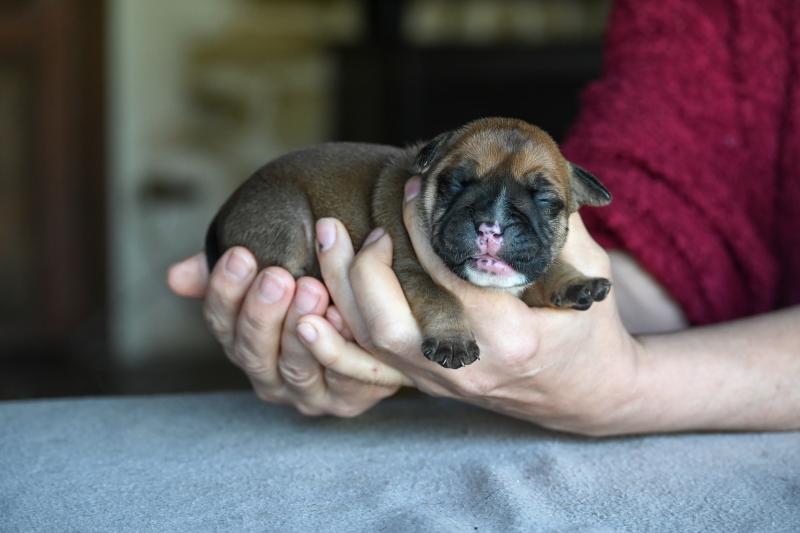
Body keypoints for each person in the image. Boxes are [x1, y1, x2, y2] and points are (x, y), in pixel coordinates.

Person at [168, 0, 800, 436]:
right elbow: (672, 239)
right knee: (292, 263)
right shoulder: (707, 24)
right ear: (429, 167)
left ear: (577, 197)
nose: (491, 227)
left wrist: (628, 383)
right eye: (463, 189)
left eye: (539, 202)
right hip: (285, 209)